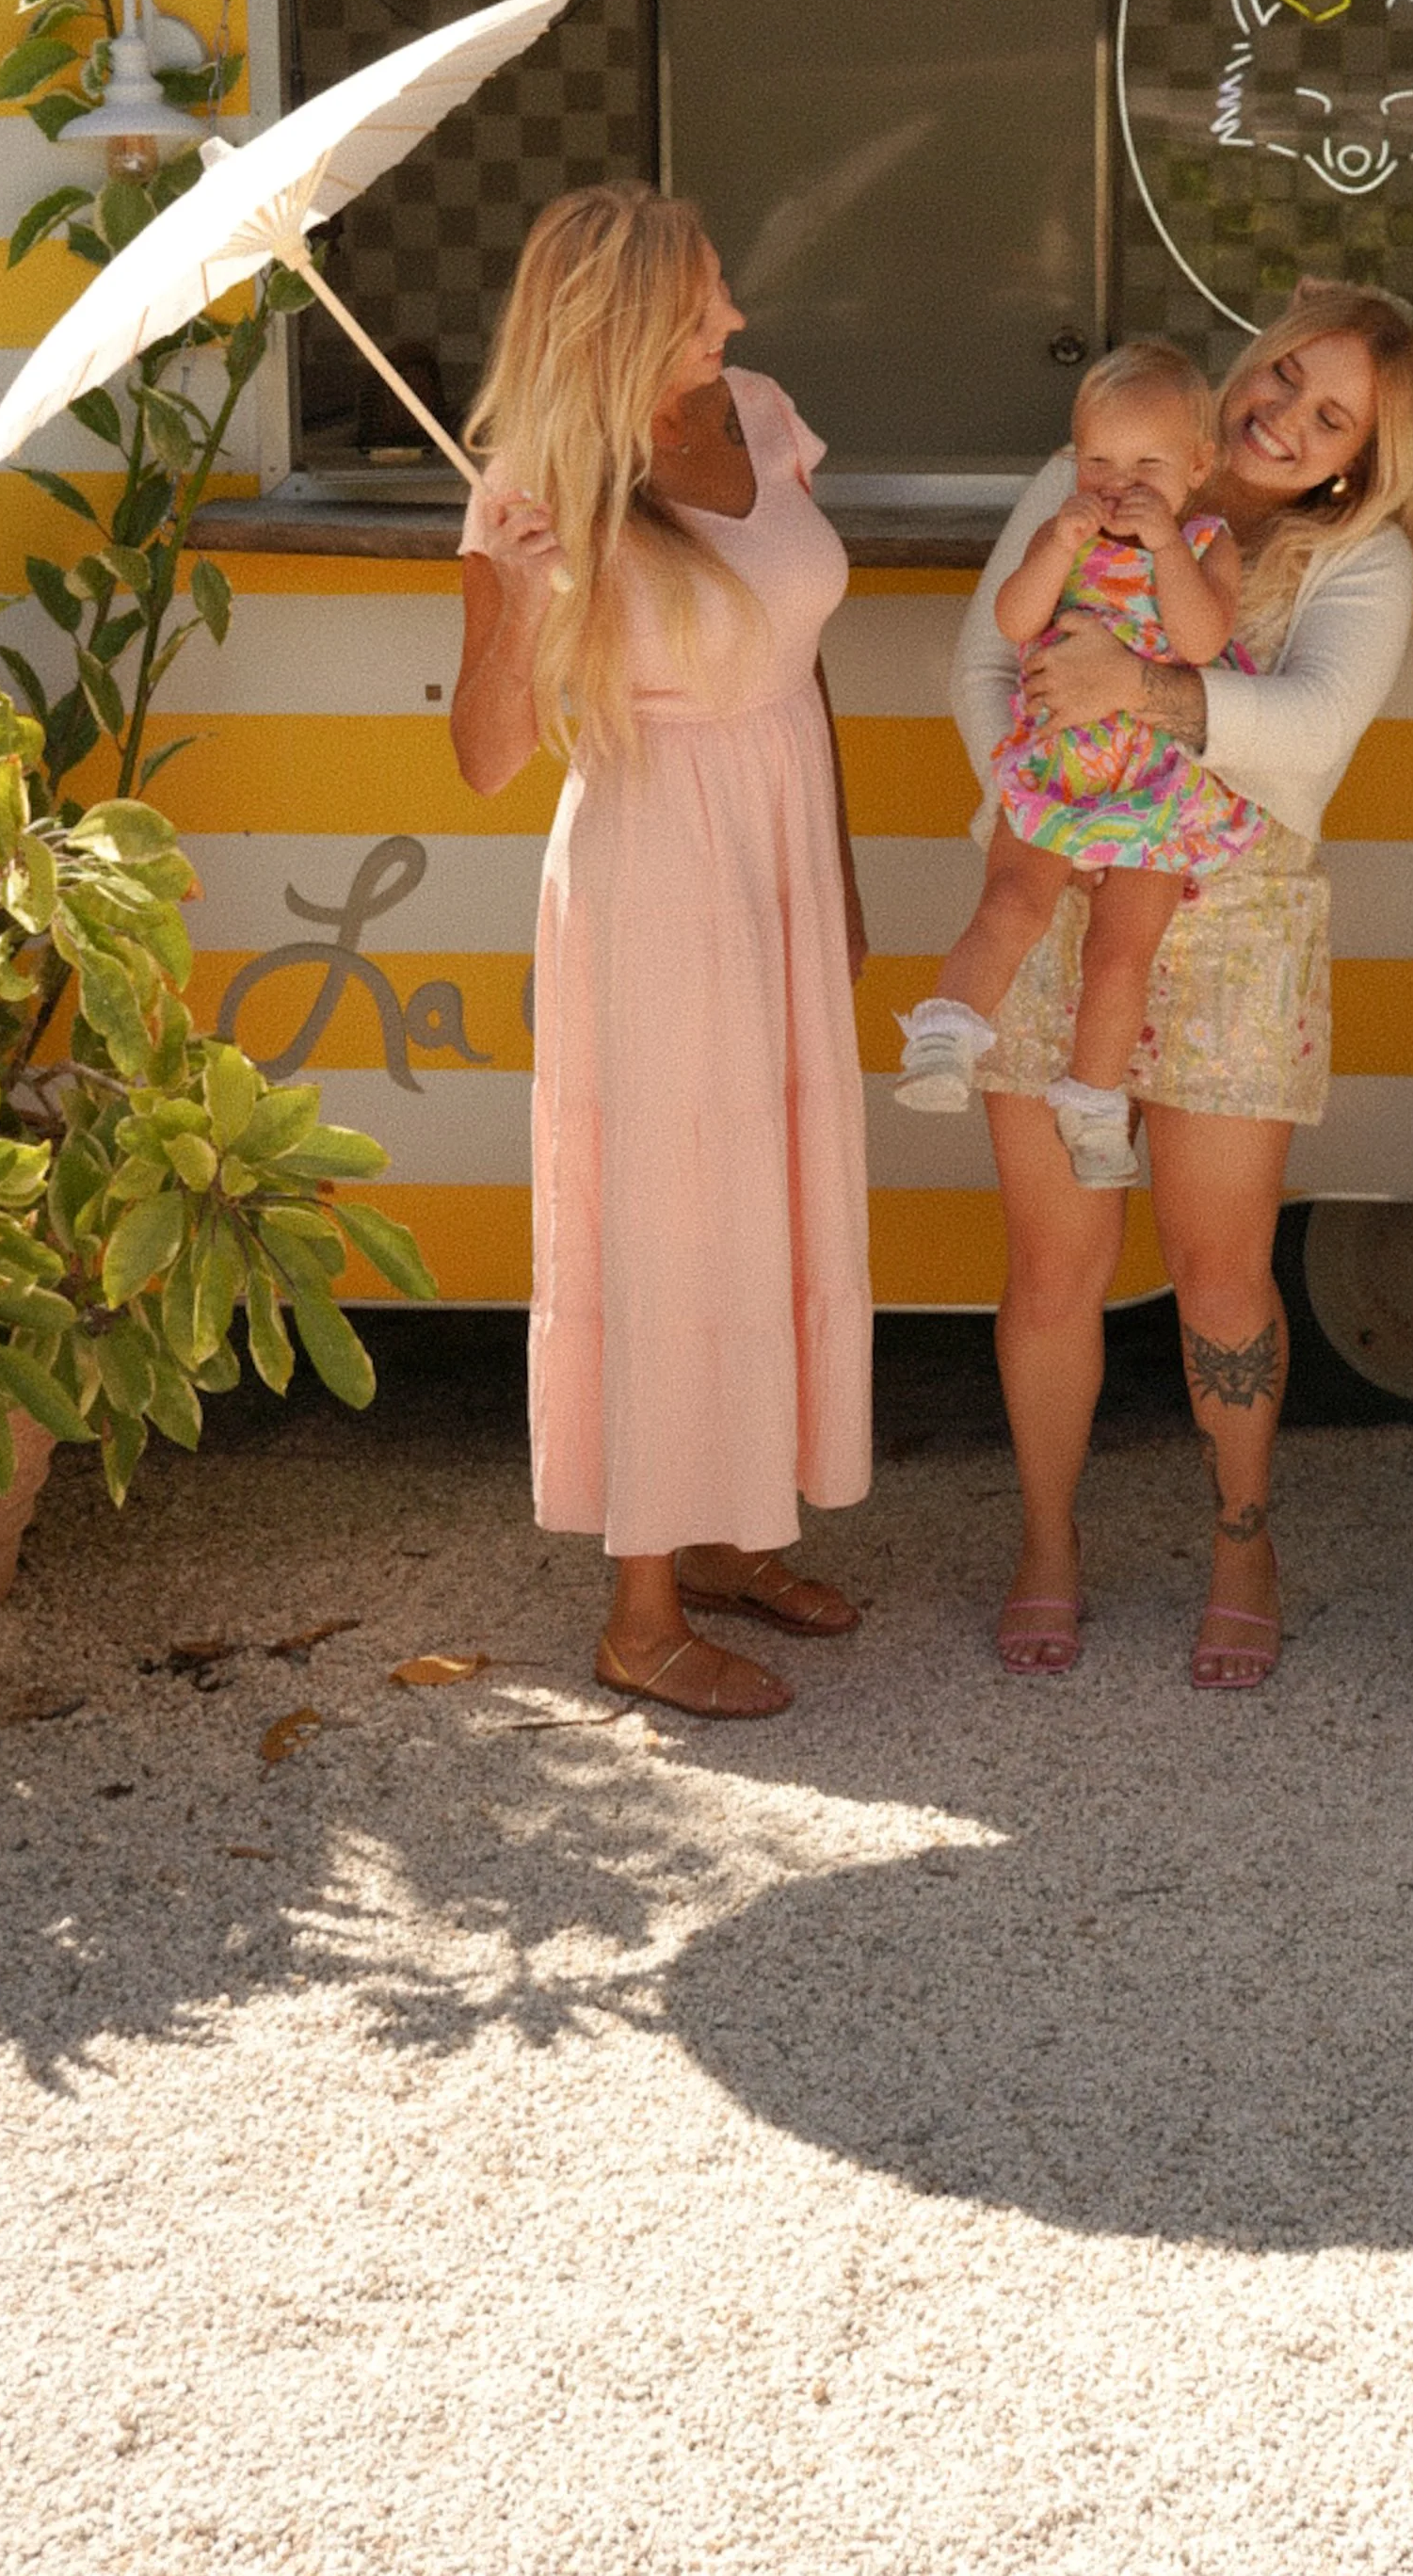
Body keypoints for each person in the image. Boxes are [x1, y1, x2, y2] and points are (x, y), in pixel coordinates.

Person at [951, 283, 1413, 1687]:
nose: (1280, 411)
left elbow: (1315, 728)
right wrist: (1045, 808)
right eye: (1284, 371)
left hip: (1239, 924)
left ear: (1358, 456)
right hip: (1065, 892)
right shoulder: (1109, 458)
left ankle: (1243, 1543)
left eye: (1328, 411)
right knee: (1055, 1263)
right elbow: (985, 659)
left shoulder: (1360, 552)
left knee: (1221, 1273)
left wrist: (1139, 694)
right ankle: (1047, 1539)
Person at [449, 185, 872, 1721]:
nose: (736, 321)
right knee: (667, 1217)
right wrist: (528, 583)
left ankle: (723, 1529)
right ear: (626, 324)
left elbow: (799, 665)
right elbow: (487, 756)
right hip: (653, 875)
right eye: (704, 303)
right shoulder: (529, 485)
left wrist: (836, 870)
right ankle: (639, 1609)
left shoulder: (758, 415)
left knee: (757, 1199)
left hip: (775, 843)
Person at [897, 340, 1262, 1191]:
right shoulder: (1063, 531)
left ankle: (1095, 1105)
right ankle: (946, 1034)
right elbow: (1015, 618)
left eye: (1148, 464)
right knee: (1012, 901)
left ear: (1199, 466)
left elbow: (1202, 641)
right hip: (1062, 760)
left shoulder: (1208, 542)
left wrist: (1167, 548)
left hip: (1158, 782)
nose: (1117, 483)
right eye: (1097, 459)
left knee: (1121, 952)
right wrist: (1054, 549)